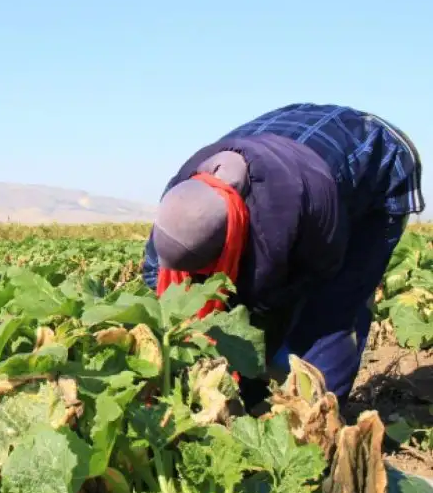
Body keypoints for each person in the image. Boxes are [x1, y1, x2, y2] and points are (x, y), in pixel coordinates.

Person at [141, 103, 424, 406]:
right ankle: (255, 397)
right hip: (301, 132)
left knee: (330, 312)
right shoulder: (182, 198)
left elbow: (309, 276)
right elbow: (158, 279)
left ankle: (313, 422)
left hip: (375, 156)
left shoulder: (285, 212)